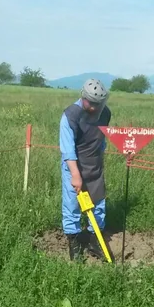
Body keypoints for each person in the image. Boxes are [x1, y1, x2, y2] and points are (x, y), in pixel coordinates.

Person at [59, 78, 111, 261]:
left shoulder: (105, 113)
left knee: (98, 205)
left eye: (100, 104)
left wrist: (99, 157)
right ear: (85, 99)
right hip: (74, 166)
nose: (97, 108)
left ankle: (93, 240)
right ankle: (74, 243)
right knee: (72, 206)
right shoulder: (70, 115)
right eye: (94, 104)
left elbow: (101, 138)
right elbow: (67, 149)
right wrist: (75, 175)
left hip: (94, 165)